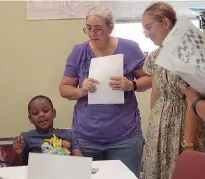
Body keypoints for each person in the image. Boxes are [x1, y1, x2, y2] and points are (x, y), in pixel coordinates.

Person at [59, 5, 151, 177]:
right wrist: (81, 90)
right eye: (88, 28)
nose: (92, 33)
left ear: (110, 28)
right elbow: (64, 89)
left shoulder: (129, 48)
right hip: (85, 136)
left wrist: (132, 85)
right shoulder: (79, 51)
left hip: (125, 137)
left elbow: (149, 79)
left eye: (98, 29)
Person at [141, 2, 205, 179]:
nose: (147, 34)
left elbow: (192, 97)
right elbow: (156, 90)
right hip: (159, 126)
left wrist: (189, 142)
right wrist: (155, 120)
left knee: (181, 169)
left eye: (149, 27)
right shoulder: (155, 56)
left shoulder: (188, 54)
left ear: (166, 22)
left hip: (184, 125)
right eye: (144, 29)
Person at [13, 95, 83, 165]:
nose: (41, 115)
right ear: (30, 119)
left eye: (45, 111)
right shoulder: (25, 138)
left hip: (66, 172)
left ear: (54, 113)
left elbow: (80, 161)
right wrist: (17, 153)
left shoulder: (69, 134)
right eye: (35, 113)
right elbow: (16, 168)